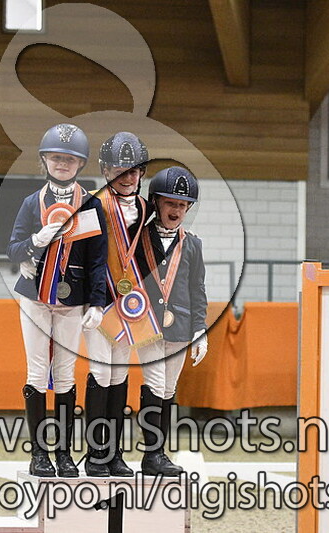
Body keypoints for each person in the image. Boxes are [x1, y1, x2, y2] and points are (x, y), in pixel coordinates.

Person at [7, 123, 107, 477]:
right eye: (56, 158)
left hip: (72, 297)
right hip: (35, 297)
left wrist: (97, 302)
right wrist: (34, 242)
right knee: (36, 371)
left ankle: (63, 454)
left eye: (69, 159)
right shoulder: (30, 203)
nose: (62, 164)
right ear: (45, 160)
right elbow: (13, 249)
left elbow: (97, 259)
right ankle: (39, 454)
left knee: (65, 374)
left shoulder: (90, 205)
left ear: (80, 164)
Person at [82, 131, 157, 477]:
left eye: (133, 171)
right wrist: (92, 300)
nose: (127, 178)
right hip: (99, 299)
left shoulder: (144, 208)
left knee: (119, 373)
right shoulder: (93, 203)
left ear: (141, 173)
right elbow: (85, 254)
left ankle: (114, 454)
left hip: (129, 302)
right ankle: (95, 453)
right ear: (105, 170)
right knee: (101, 371)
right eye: (119, 170)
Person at [134, 166, 208, 476]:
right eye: (170, 203)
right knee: (154, 383)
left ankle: (157, 454)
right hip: (147, 322)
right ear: (156, 202)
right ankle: (152, 454)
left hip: (180, 326)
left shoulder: (193, 244)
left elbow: (197, 288)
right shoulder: (138, 238)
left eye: (182, 205)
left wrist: (200, 329)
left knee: (167, 389)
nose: (176, 210)